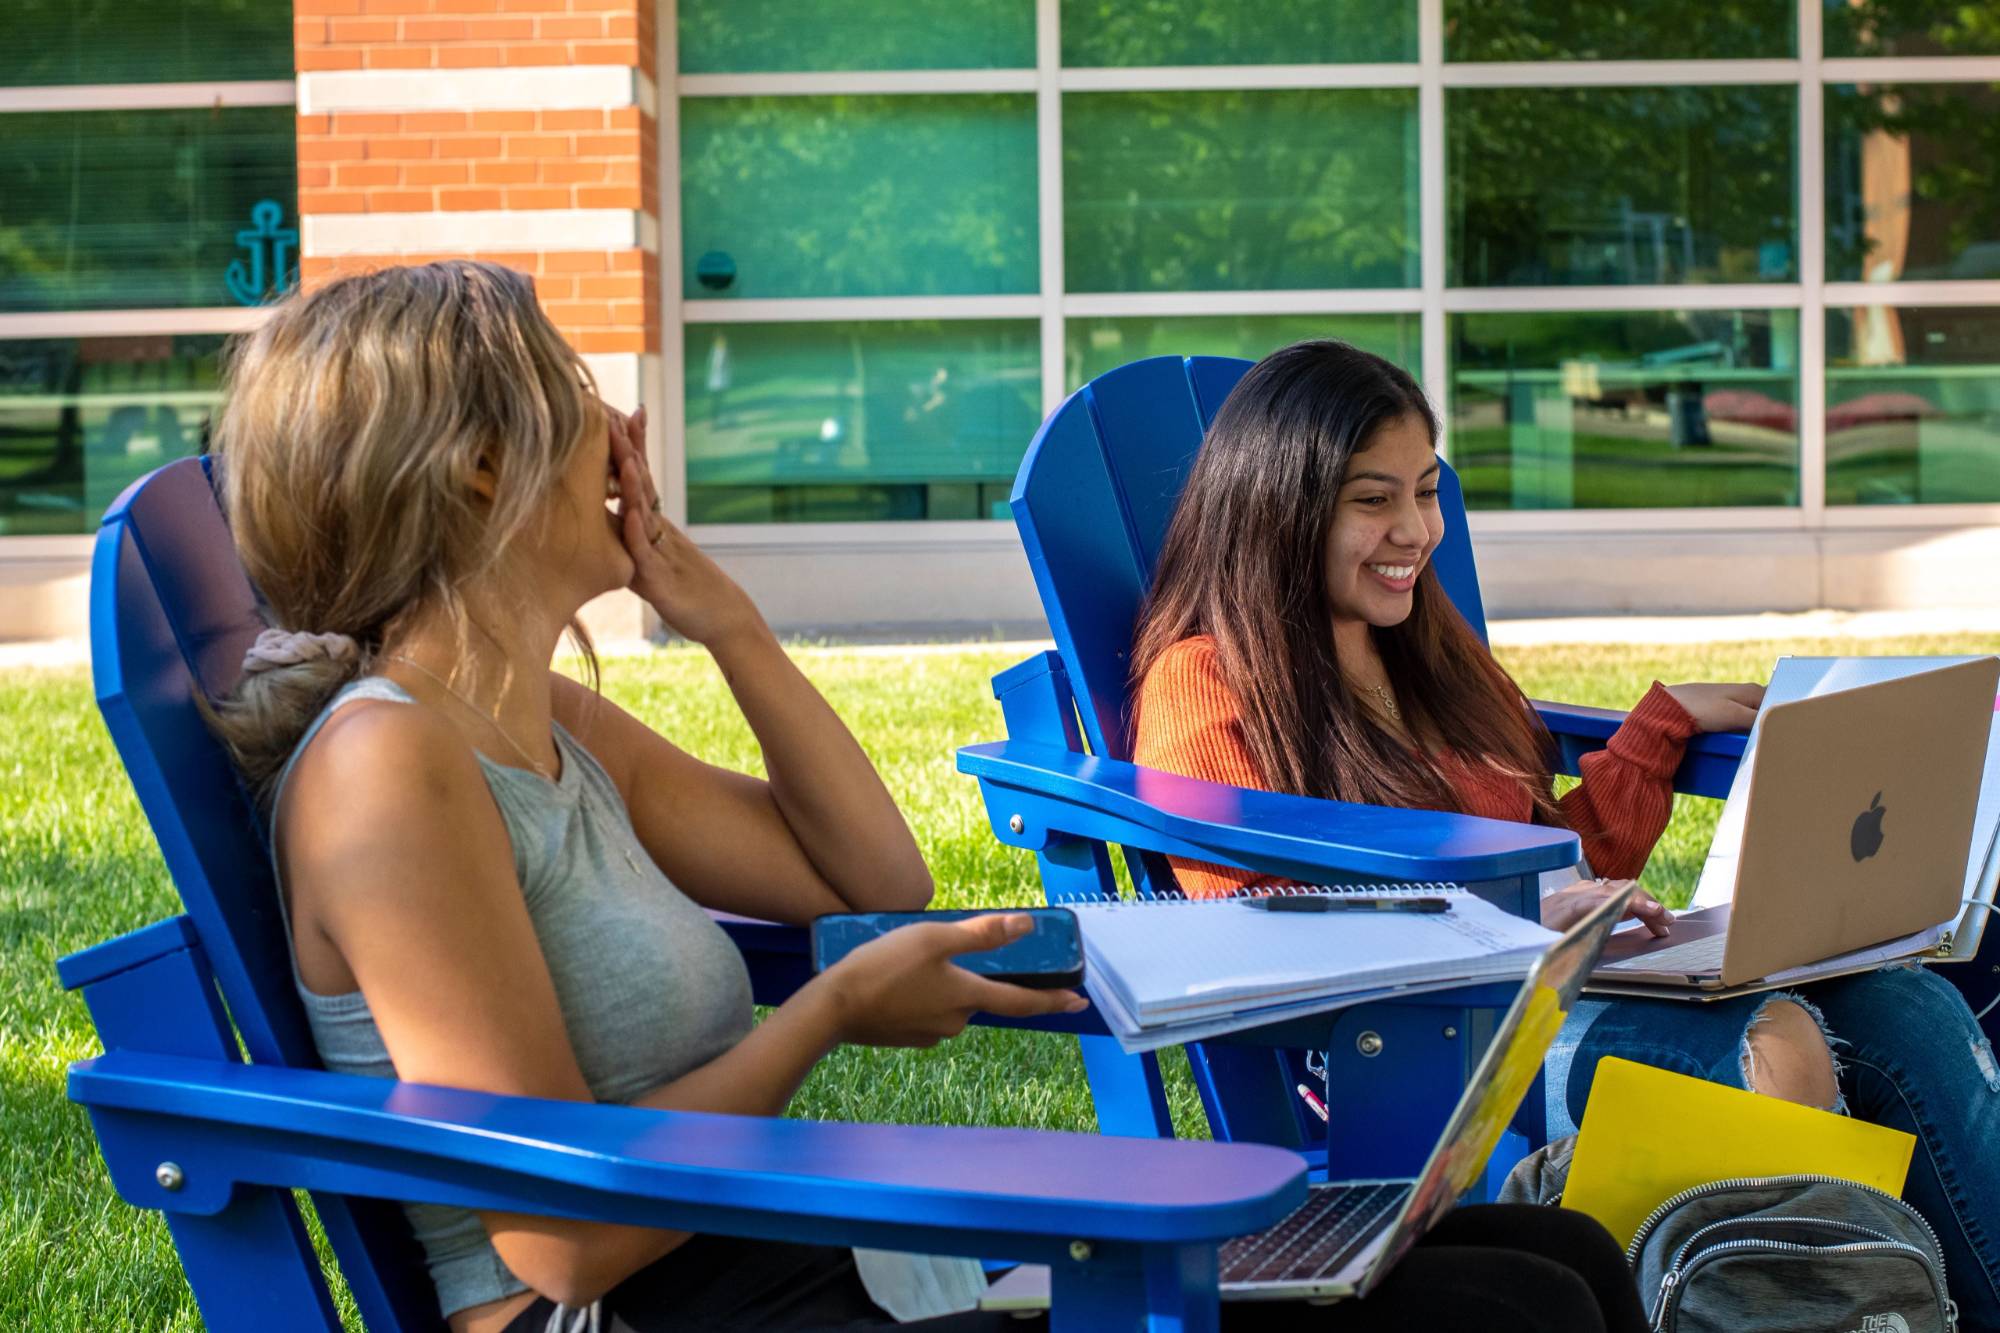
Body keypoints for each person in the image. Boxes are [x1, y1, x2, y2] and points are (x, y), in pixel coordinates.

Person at [205, 263, 1647, 1333]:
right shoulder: (387, 771)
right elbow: (564, 1244)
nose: (624, 426)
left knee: (1554, 1259)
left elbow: (872, 883)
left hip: (793, 1248)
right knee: (1512, 1312)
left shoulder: (544, 723)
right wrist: (825, 1013)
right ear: (479, 468)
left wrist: (735, 631)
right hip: (661, 1310)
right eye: (584, 397)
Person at [1128, 338, 2000, 1332]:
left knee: (1905, 1005)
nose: (1414, 528)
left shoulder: (1426, 656)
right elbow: (1239, 917)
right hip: (1401, 1041)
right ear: (1282, 509)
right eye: (1371, 499)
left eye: (1425, 488)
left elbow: (1562, 856)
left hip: (1551, 979)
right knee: (1775, 1045)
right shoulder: (1206, 680)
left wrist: (1656, 728)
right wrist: (1502, 917)